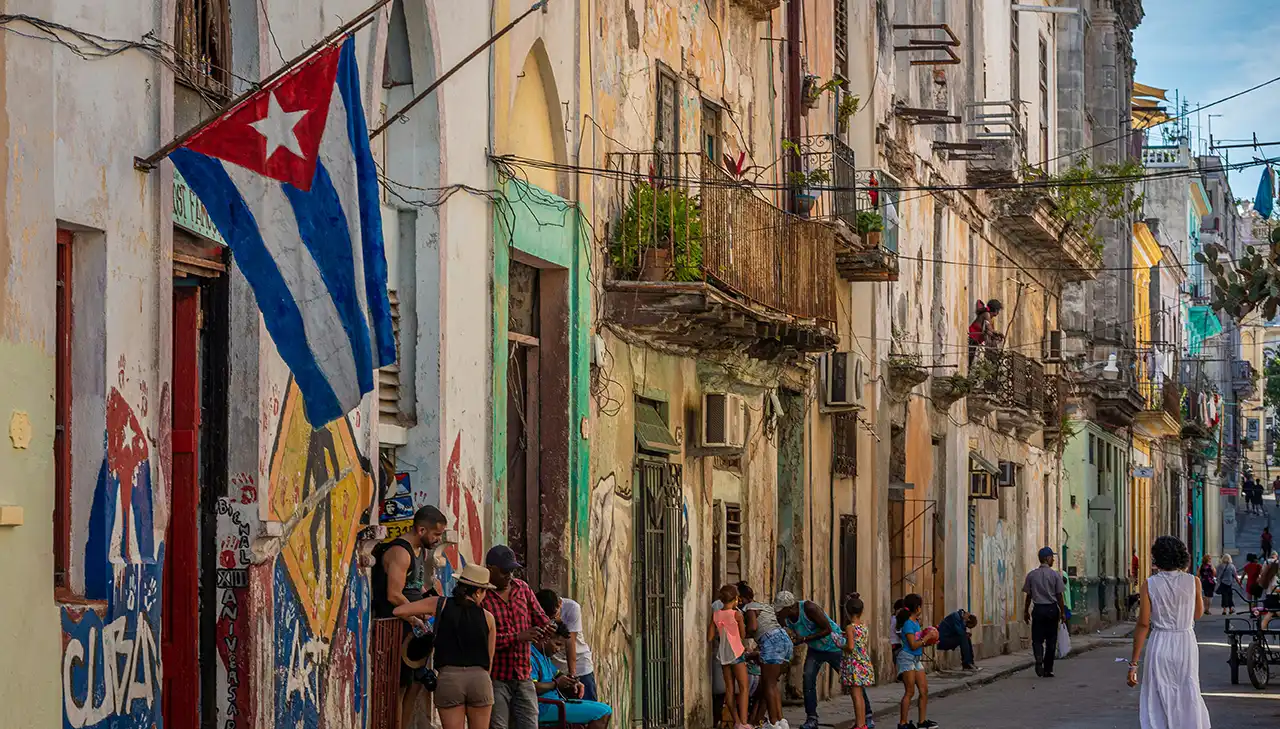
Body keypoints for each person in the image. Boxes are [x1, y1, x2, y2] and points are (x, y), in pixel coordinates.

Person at [392, 564, 498, 729]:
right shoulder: (488, 618)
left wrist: (418, 620)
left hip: (449, 680)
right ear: (478, 591)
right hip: (480, 680)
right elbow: (489, 660)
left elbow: (398, 611)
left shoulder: (439, 604)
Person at [371, 506, 449, 723]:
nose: (438, 539)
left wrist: (430, 601)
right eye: (436, 534)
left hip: (414, 631)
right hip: (396, 629)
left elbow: (414, 586)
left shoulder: (420, 551)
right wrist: (415, 617)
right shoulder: (400, 552)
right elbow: (394, 594)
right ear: (421, 530)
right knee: (398, 687)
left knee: (415, 685)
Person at [1127, 536, 1211, 729]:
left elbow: (1143, 624)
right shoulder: (1194, 582)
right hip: (1185, 643)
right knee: (1187, 689)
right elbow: (1197, 614)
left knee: (1159, 694)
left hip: (1160, 641)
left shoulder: (1149, 584)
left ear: (1157, 557)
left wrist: (1133, 664)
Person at [482, 545, 552, 729]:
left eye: (512, 571)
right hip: (497, 677)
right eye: (505, 571)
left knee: (529, 724)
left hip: (523, 675)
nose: (509, 576)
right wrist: (518, 637)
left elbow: (540, 616)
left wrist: (548, 627)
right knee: (498, 725)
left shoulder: (522, 588)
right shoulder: (482, 596)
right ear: (490, 569)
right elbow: (484, 640)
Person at [775, 591, 867, 729]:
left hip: (833, 646)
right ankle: (811, 718)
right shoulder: (785, 618)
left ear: (789, 607)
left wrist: (804, 639)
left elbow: (827, 629)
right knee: (808, 679)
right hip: (815, 649)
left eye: (780, 610)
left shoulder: (809, 608)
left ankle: (866, 716)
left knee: (854, 682)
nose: (778, 613)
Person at [531, 623, 612, 729]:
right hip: (543, 708)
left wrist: (572, 682)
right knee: (602, 713)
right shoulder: (530, 657)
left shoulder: (545, 657)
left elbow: (557, 674)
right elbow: (530, 687)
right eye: (557, 644)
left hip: (556, 703)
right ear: (546, 638)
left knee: (606, 709)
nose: (558, 649)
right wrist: (556, 684)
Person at [737, 582, 793, 729]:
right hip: (784, 640)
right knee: (773, 684)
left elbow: (753, 627)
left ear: (742, 599)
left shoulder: (749, 608)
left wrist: (740, 634)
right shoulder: (764, 605)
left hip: (771, 642)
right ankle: (781, 721)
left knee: (768, 685)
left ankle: (773, 723)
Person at [535, 589, 598, 702]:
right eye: (548, 617)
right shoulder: (536, 657)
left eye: (554, 615)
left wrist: (572, 676)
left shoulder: (572, 608)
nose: (550, 620)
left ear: (560, 604)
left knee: (587, 703)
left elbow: (570, 643)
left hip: (578, 664)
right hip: (554, 667)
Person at [709, 585, 750, 729]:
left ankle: (737, 721)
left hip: (723, 655)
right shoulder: (737, 615)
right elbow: (743, 635)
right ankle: (744, 722)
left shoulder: (716, 615)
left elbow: (710, 637)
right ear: (735, 599)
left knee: (729, 689)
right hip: (736, 653)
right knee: (744, 688)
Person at [1022, 546, 1067, 678]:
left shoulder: (1031, 575)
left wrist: (1026, 611)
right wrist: (1062, 612)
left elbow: (1028, 595)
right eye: (1052, 557)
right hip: (1052, 610)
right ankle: (1048, 669)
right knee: (1051, 640)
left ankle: (1039, 659)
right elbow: (1059, 596)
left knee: (1037, 639)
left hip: (1038, 610)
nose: (1053, 560)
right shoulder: (1054, 575)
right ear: (1047, 558)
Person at [894, 594, 936, 729]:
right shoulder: (908, 624)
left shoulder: (916, 623)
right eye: (920, 606)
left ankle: (922, 722)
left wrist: (930, 640)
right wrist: (927, 637)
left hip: (916, 659)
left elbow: (919, 642)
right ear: (917, 608)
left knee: (924, 690)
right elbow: (912, 645)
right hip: (907, 659)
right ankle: (903, 723)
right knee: (910, 691)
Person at [839, 593, 875, 729]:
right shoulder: (864, 626)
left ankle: (860, 724)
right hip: (863, 662)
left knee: (856, 696)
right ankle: (862, 723)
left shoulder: (850, 627)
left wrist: (840, 644)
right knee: (860, 695)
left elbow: (850, 646)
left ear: (847, 612)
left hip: (854, 663)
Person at [967, 299, 1004, 365]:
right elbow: (989, 329)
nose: (998, 313)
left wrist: (995, 336)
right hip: (971, 338)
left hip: (974, 340)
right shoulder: (986, 314)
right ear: (995, 310)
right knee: (969, 361)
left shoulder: (989, 316)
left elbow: (988, 332)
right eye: (998, 310)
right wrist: (998, 333)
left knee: (971, 361)